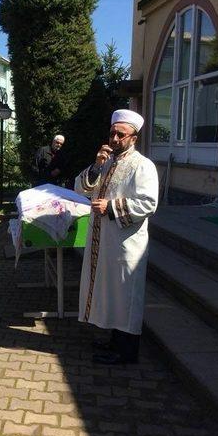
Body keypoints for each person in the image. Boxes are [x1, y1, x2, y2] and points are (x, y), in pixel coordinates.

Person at [74, 109, 158, 365]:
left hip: (125, 243)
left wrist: (110, 207)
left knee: (125, 295)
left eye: (121, 134)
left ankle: (127, 351)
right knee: (110, 293)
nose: (115, 138)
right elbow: (81, 187)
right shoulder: (107, 162)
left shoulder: (142, 165)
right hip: (104, 240)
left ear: (134, 137)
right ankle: (114, 341)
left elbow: (148, 203)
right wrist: (96, 165)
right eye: (112, 133)